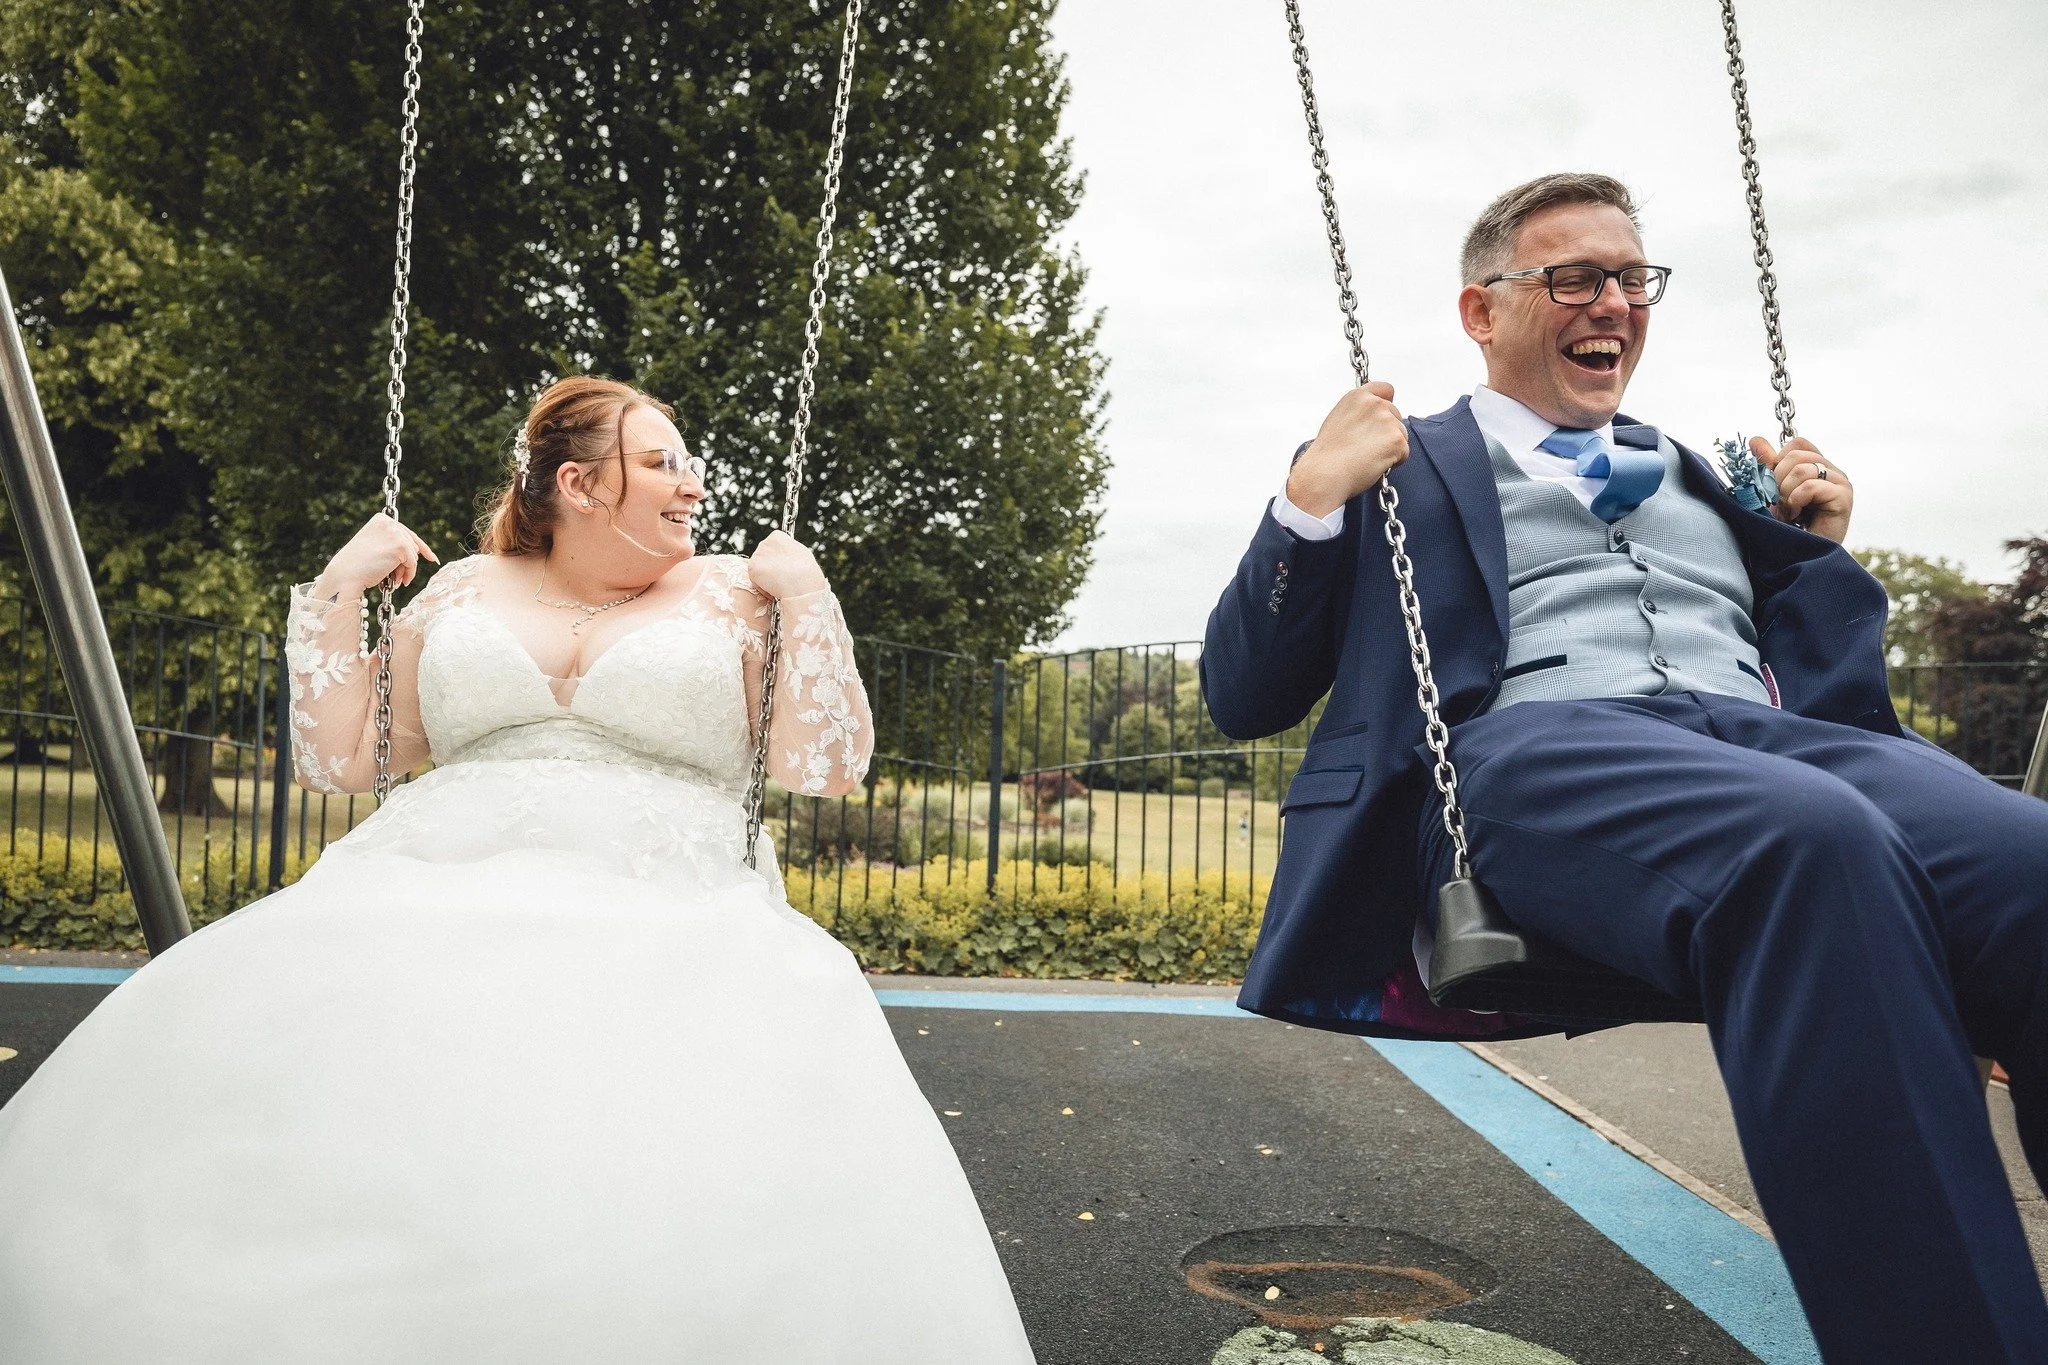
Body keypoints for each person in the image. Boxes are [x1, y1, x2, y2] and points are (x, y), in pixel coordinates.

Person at [0, 376, 1037, 1362]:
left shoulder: (732, 593)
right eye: (663, 461)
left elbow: (823, 766)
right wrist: (335, 591)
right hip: (417, 881)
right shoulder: (460, 588)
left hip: (662, 905)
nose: (695, 485)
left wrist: (806, 595)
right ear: (577, 484)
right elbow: (348, 761)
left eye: (690, 464)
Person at [1201, 173, 2048, 1360]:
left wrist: (1816, 555)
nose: (1611, 299)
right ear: (1480, 311)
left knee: (2031, 864)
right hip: (1538, 743)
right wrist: (1304, 500)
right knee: (1806, 839)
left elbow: (1825, 682)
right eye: (1572, 277)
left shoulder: (1705, 473)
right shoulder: (1399, 461)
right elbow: (1242, 694)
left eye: (1629, 277)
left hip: (1763, 736)